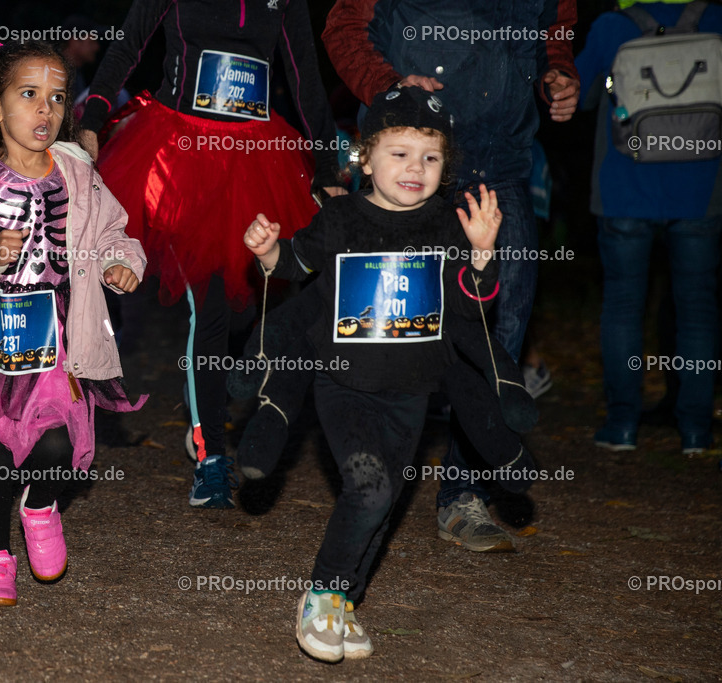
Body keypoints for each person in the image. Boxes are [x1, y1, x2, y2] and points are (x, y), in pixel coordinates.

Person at [243, 87, 501, 661]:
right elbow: (295, 262)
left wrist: (481, 256)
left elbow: (472, 309)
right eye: (400, 153)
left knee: (383, 502)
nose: (416, 168)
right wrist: (267, 253)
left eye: (430, 158)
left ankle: (348, 602)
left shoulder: (447, 224)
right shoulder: (340, 218)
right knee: (370, 487)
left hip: (412, 393)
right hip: (344, 384)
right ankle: (323, 594)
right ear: (367, 156)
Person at [323, 0, 580, 552]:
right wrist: (390, 87)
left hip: (505, 168)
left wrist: (559, 71)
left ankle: (462, 494)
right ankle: (371, 485)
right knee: (392, 329)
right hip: (418, 169)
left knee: (500, 334)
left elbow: (554, 28)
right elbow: (343, 27)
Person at [0, 41, 147, 606]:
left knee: (57, 448)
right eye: (29, 95)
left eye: (58, 98)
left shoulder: (78, 174)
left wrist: (123, 262)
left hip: (59, 340)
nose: (46, 110)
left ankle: (40, 505)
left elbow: (116, 232)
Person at [79, 0, 344, 508]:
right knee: (213, 306)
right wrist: (94, 114)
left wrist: (328, 171)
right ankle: (212, 458)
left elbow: (305, 77)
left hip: (256, 158)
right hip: (178, 156)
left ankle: (206, 395)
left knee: (255, 300)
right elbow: (130, 44)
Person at [576, 0, 722, 454]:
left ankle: (622, 425)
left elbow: (579, 97)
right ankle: (696, 430)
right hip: (702, 190)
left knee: (623, 306)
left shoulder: (613, 24)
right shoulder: (716, 20)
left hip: (624, 188)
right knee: (697, 310)